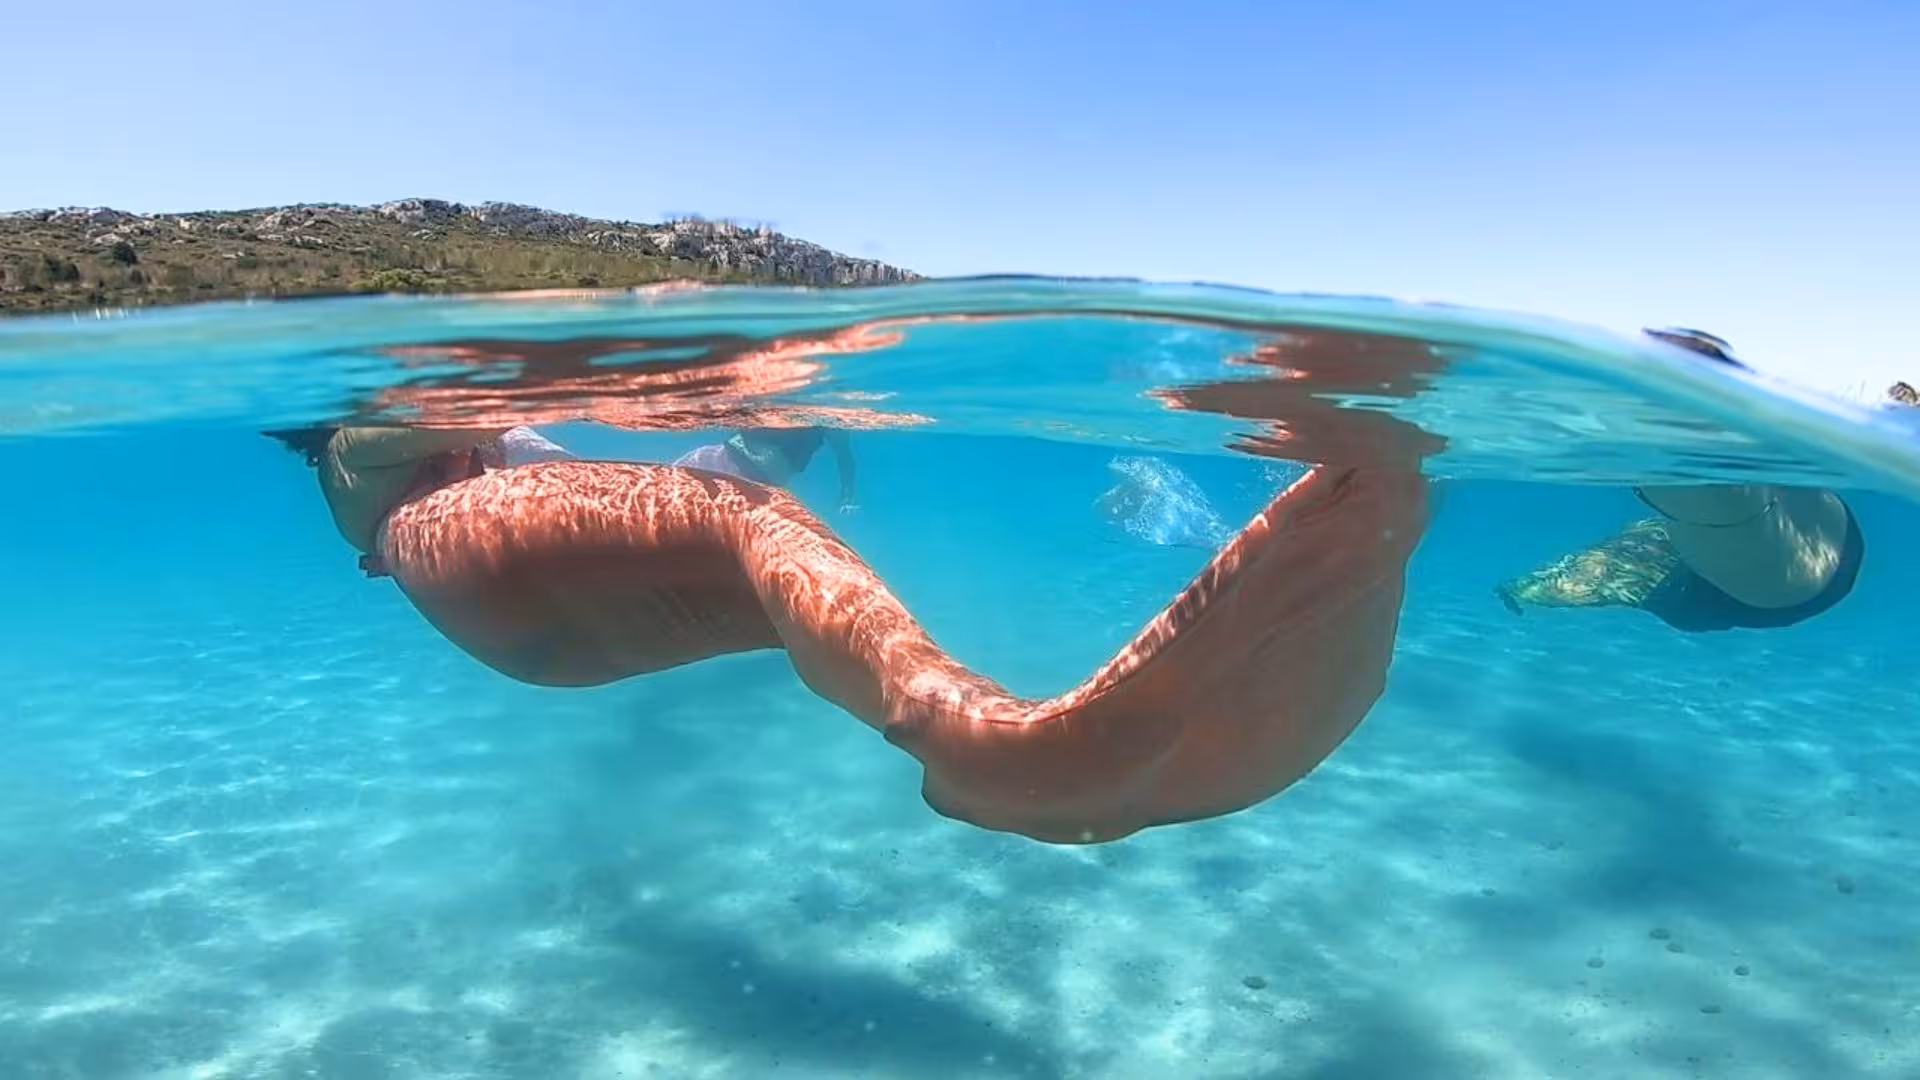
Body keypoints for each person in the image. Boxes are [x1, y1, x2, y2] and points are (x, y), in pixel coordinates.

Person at [270, 322, 1447, 845]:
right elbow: (402, 430)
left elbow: (682, 472)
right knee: (739, 517)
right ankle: (991, 742)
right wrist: (582, 348)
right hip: (461, 562)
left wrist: (772, 406)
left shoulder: (469, 469)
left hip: (523, 616)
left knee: (744, 518)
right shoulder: (357, 452)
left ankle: (991, 742)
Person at [1496, 328, 1865, 632]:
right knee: (1697, 513)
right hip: (1806, 556)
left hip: (1776, 579)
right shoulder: (1726, 453)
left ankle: (1529, 590)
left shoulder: (1702, 474)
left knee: (1700, 512)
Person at [673, 426, 859, 512]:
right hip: (733, 461)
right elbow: (845, 455)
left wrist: (847, 495)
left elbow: (845, 455)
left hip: (761, 483)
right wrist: (846, 494)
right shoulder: (706, 459)